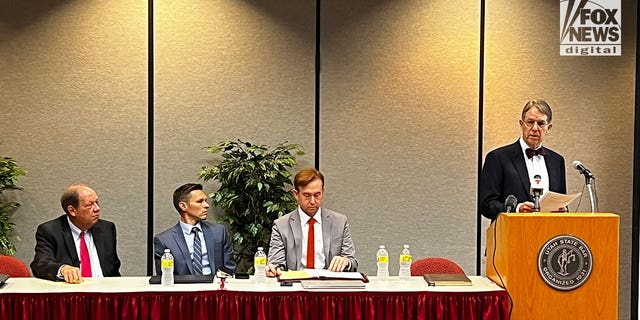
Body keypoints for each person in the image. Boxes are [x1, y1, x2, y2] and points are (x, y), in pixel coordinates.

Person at [479, 99, 567, 220]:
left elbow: (561, 200)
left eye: (541, 123)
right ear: (521, 124)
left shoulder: (557, 161)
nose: (535, 128)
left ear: (549, 128)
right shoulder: (497, 158)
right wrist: (516, 208)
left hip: (549, 234)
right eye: (530, 122)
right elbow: (486, 205)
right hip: (512, 234)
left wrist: (562, 209)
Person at [266, 168, 357, 277]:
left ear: (323, 192)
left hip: (329, 286)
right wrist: (274, 269)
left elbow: (353, 262)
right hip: (295, 287)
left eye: (317, 195)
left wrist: (346, 262)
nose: (313, 201)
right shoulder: (281, 226)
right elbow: (276, 264)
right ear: (296, 194)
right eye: (307, 195)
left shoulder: (340, 222)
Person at [30, 184, 121, 283]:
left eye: (97, 202)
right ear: (72, 210)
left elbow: (113, 269)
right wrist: (62, 269)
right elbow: (40, 264)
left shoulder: (106, 229)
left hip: (104, 292)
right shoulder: (50, 231)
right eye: (89, 205)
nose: (97, 208)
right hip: (71, 293)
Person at [153, 183, 236, 276]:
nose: (206, 205)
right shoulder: (164, 240)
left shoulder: (219, 232)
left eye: (206, 201)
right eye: (200, 201)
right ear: (183, 206)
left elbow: (229, 269)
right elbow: (165, 277)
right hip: (184, 289)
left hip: (215, 287)